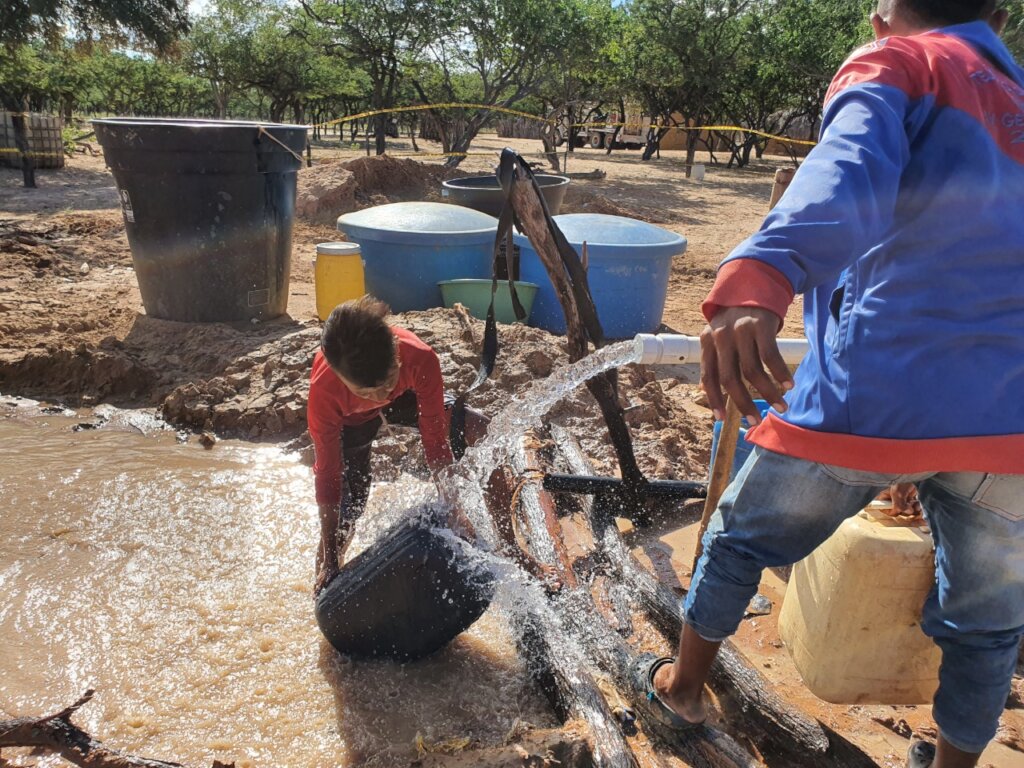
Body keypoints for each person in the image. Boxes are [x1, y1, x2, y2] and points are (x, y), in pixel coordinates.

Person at [643, 3, 1023, 768]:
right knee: (988, 623)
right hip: (1007, 421)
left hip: (878, 397)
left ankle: (682, 689)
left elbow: (846, 172)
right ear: (998, 12)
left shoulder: (902, 64)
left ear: (883, 11)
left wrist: (762, 272)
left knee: (738, 537)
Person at [307, 295, 553, 596]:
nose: (377, 397)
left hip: (404, 397)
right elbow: (328, 475)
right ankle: (326, 586)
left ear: (396, 353)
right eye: (367, 392)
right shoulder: (324, 391)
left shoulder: (419, 357)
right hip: (350, 420)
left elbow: (434, 438)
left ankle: (510, 547)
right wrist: (330, 560)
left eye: (385, 383)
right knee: (348, 509)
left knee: (482, 430)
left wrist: (452, 507)